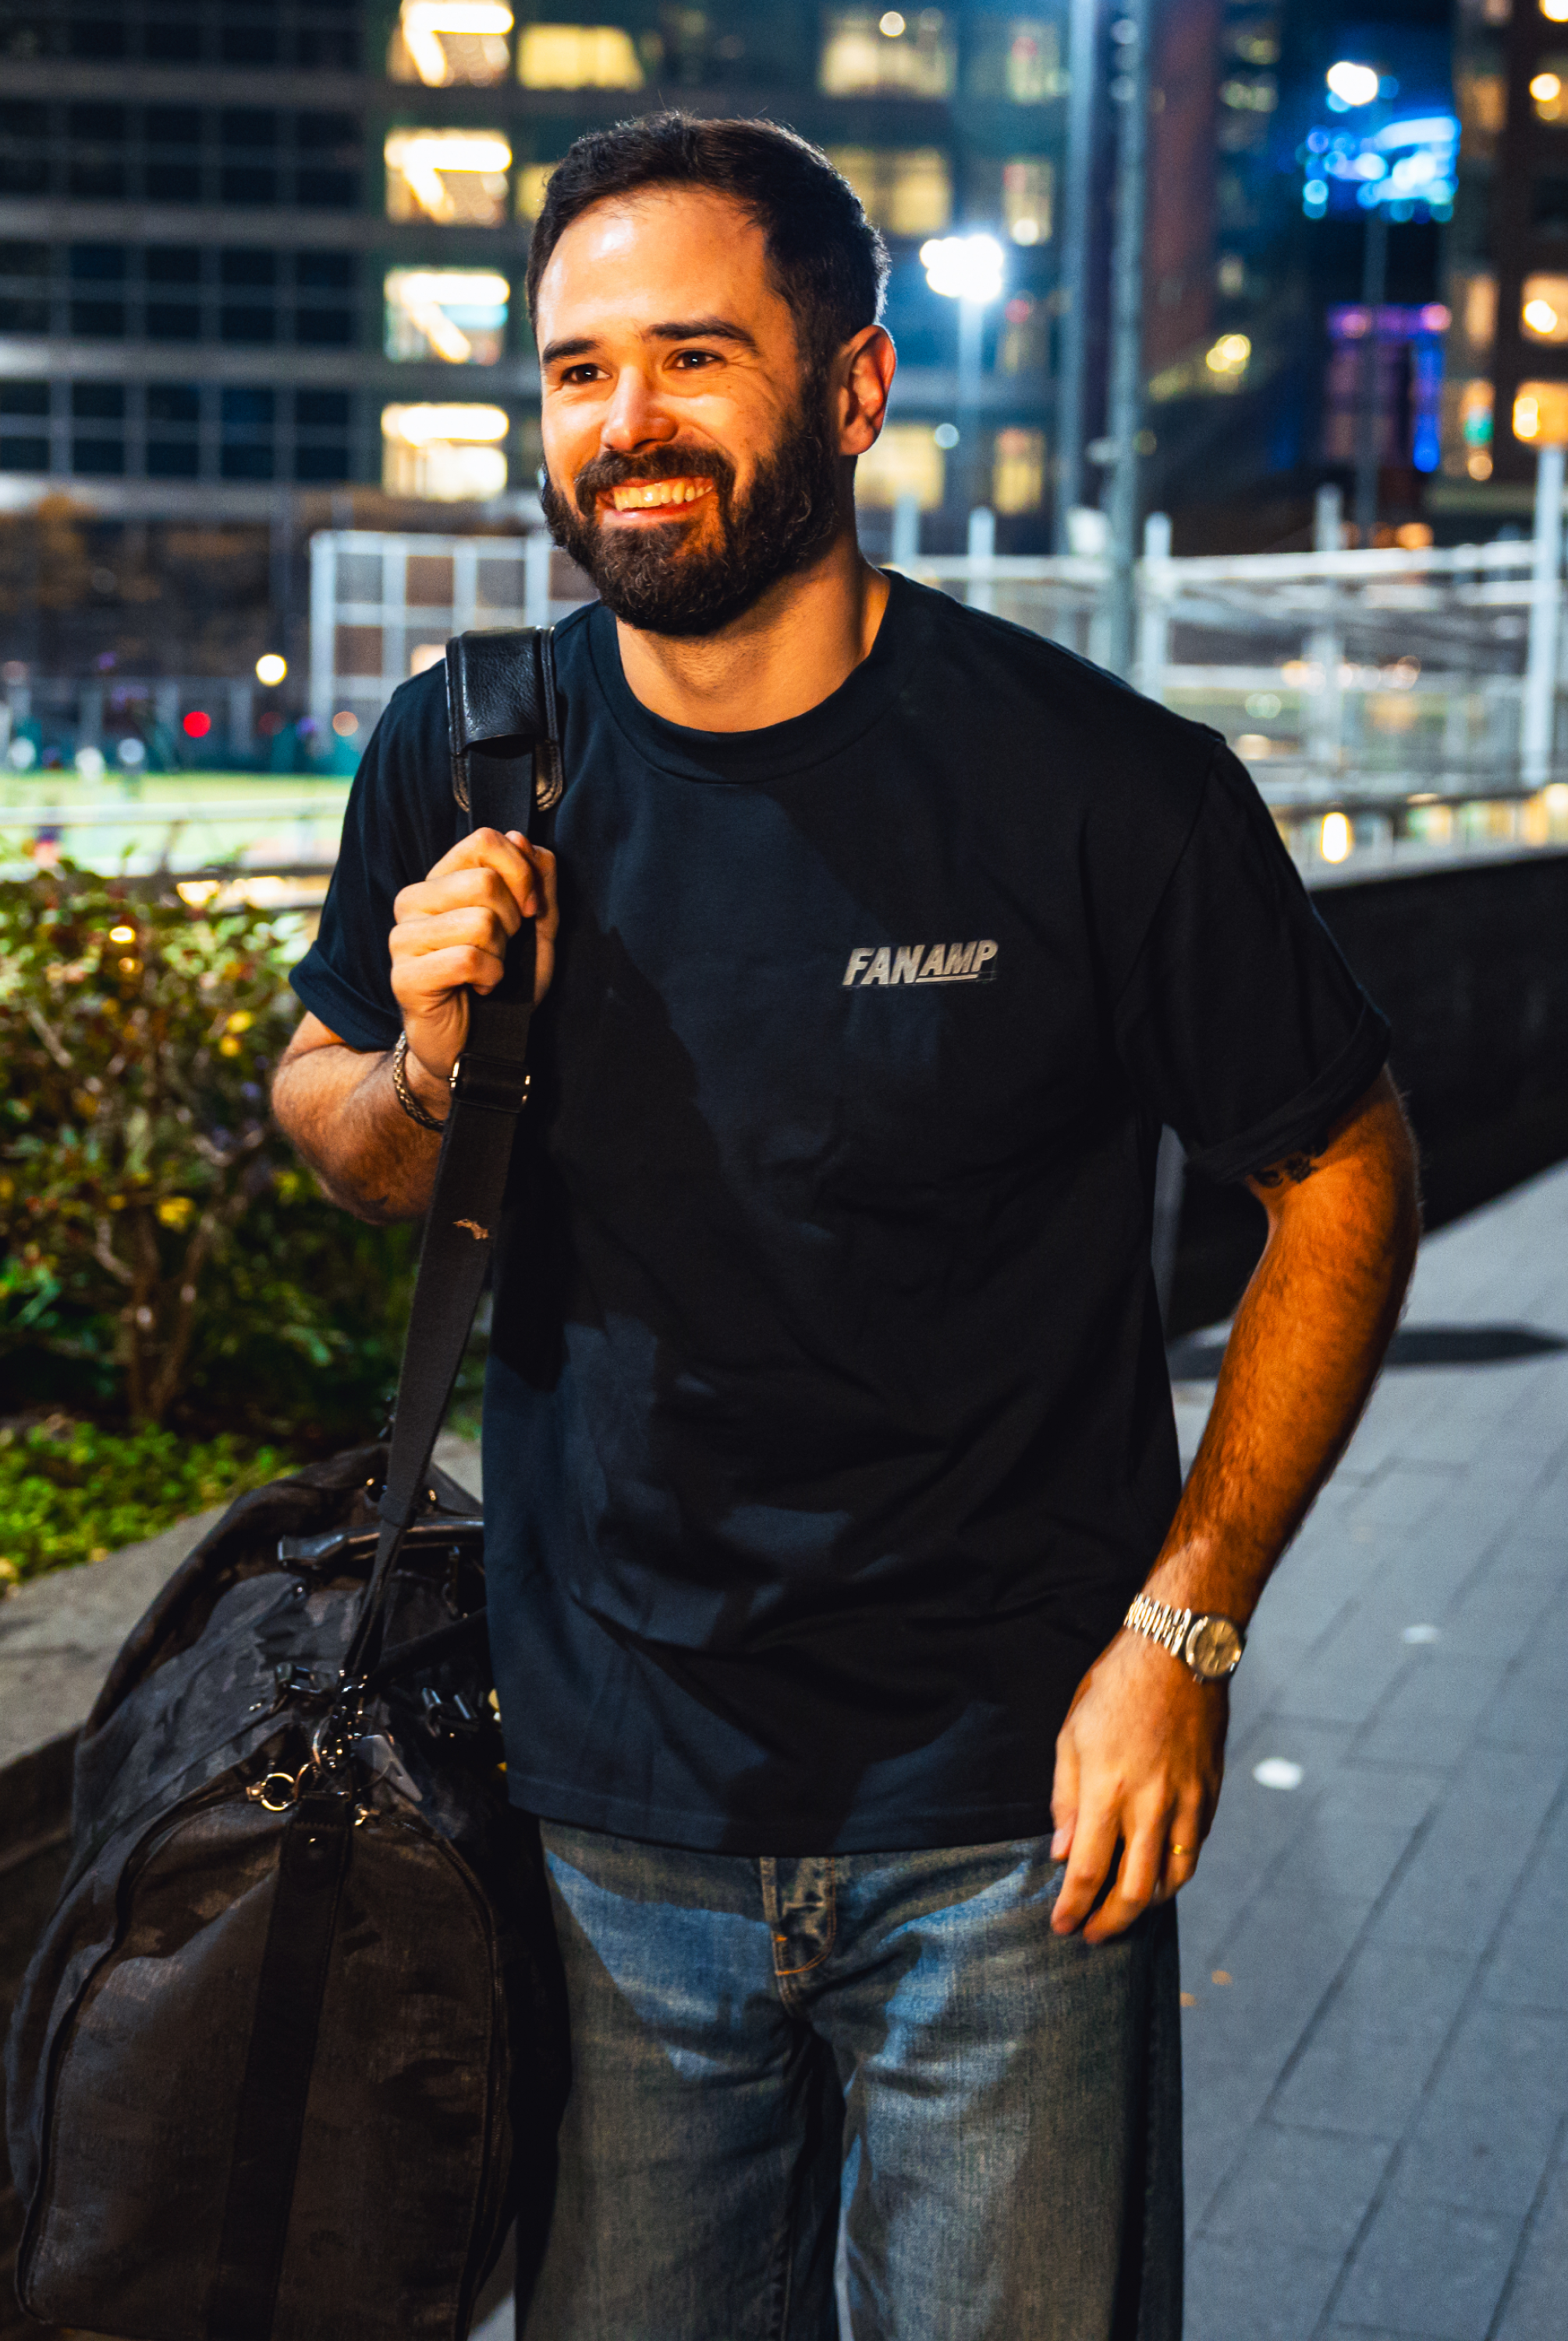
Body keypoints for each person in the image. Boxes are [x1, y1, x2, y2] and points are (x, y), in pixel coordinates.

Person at [273, 114, 1420, 2341]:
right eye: (580, 370)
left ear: (858, 391)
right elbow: (336, 1120)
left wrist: (1187, 1629)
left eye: (694, 358)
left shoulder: (1101, 791)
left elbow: (1343, 1168)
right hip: (602, 1820)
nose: (628, 426)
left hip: (1013, 1824)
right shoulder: (469, 753)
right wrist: (419, 1066)